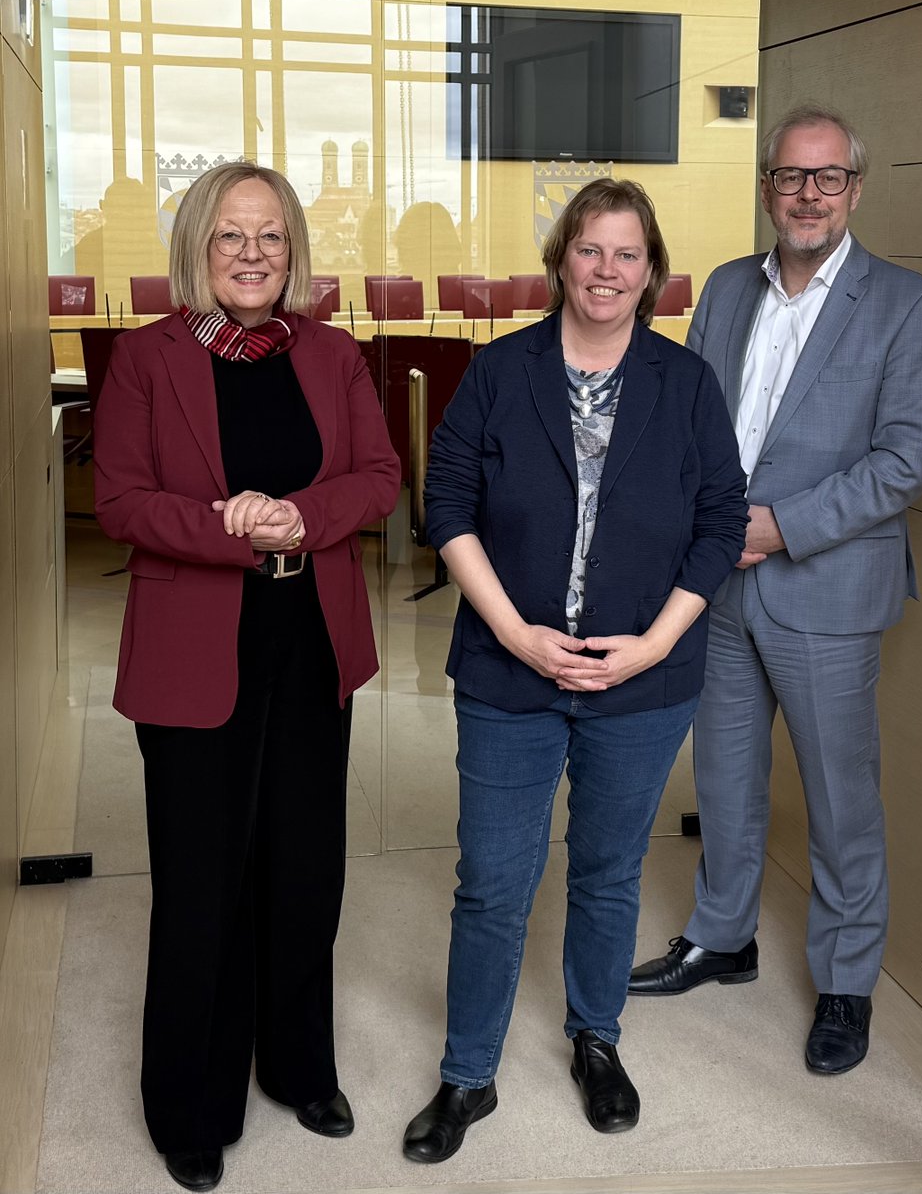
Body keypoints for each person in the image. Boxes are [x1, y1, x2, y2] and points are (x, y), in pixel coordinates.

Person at [401, 178, 748, 1164]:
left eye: (626, 254)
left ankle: (597, 1040)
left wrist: (656, 643)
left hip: (641, 680)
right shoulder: (500, 370)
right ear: (559, 260)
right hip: (508, 673)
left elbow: (721, 519)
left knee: (607, 872)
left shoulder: (685, 383)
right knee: (492, 882)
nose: (606, 270)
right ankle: (468, 1075)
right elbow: (447, 504)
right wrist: (514, 632)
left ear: (652, 271)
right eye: (589, 249)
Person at [94, 161, 400, 1192]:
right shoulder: (146, 359)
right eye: (231, 235)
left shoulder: (333, 354)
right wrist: (235, 528)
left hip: (310, 638)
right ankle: (191, 1103)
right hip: (194, 648)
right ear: (198, 245)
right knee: (201, 879)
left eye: (271, 236)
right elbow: (120, 500)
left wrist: (299, 518)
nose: (253, 254)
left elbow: (378, 477)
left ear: (293, 250)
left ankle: (300, 1068)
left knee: (305, 866)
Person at [628, 105, 922, 1076]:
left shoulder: (908, 305)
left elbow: (907, 458)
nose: (808, 194)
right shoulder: (729, 287)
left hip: (826, 588)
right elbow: (688, 418)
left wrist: (780, 526)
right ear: (766, 187)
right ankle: (722, 935)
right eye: (789, 176)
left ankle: (846, 981)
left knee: (840, 797)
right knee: (725, 779)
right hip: (718, 585)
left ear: (854, 188)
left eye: (827, 177)